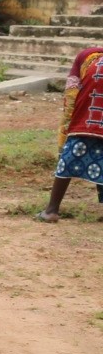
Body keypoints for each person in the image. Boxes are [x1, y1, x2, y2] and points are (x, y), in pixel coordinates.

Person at [39, 46, 103, 222]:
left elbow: (71, 95)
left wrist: (66, 132)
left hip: (87, 120)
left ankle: (51, 210)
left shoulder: (84, 58)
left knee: (68, 159)